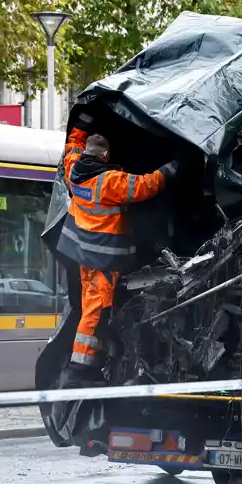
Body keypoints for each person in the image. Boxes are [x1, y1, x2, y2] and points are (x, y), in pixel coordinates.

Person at [57, 113, 180, 384]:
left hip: (83, 255)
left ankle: (99, 353)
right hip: (103, 257)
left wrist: (84, 121)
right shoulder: (110, 182)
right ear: (106, 155)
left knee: (92, 301)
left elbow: (72, 145)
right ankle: (82, 366)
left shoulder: (72, 169)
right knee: (97, 307)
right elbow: (147, 185)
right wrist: (175, 165)